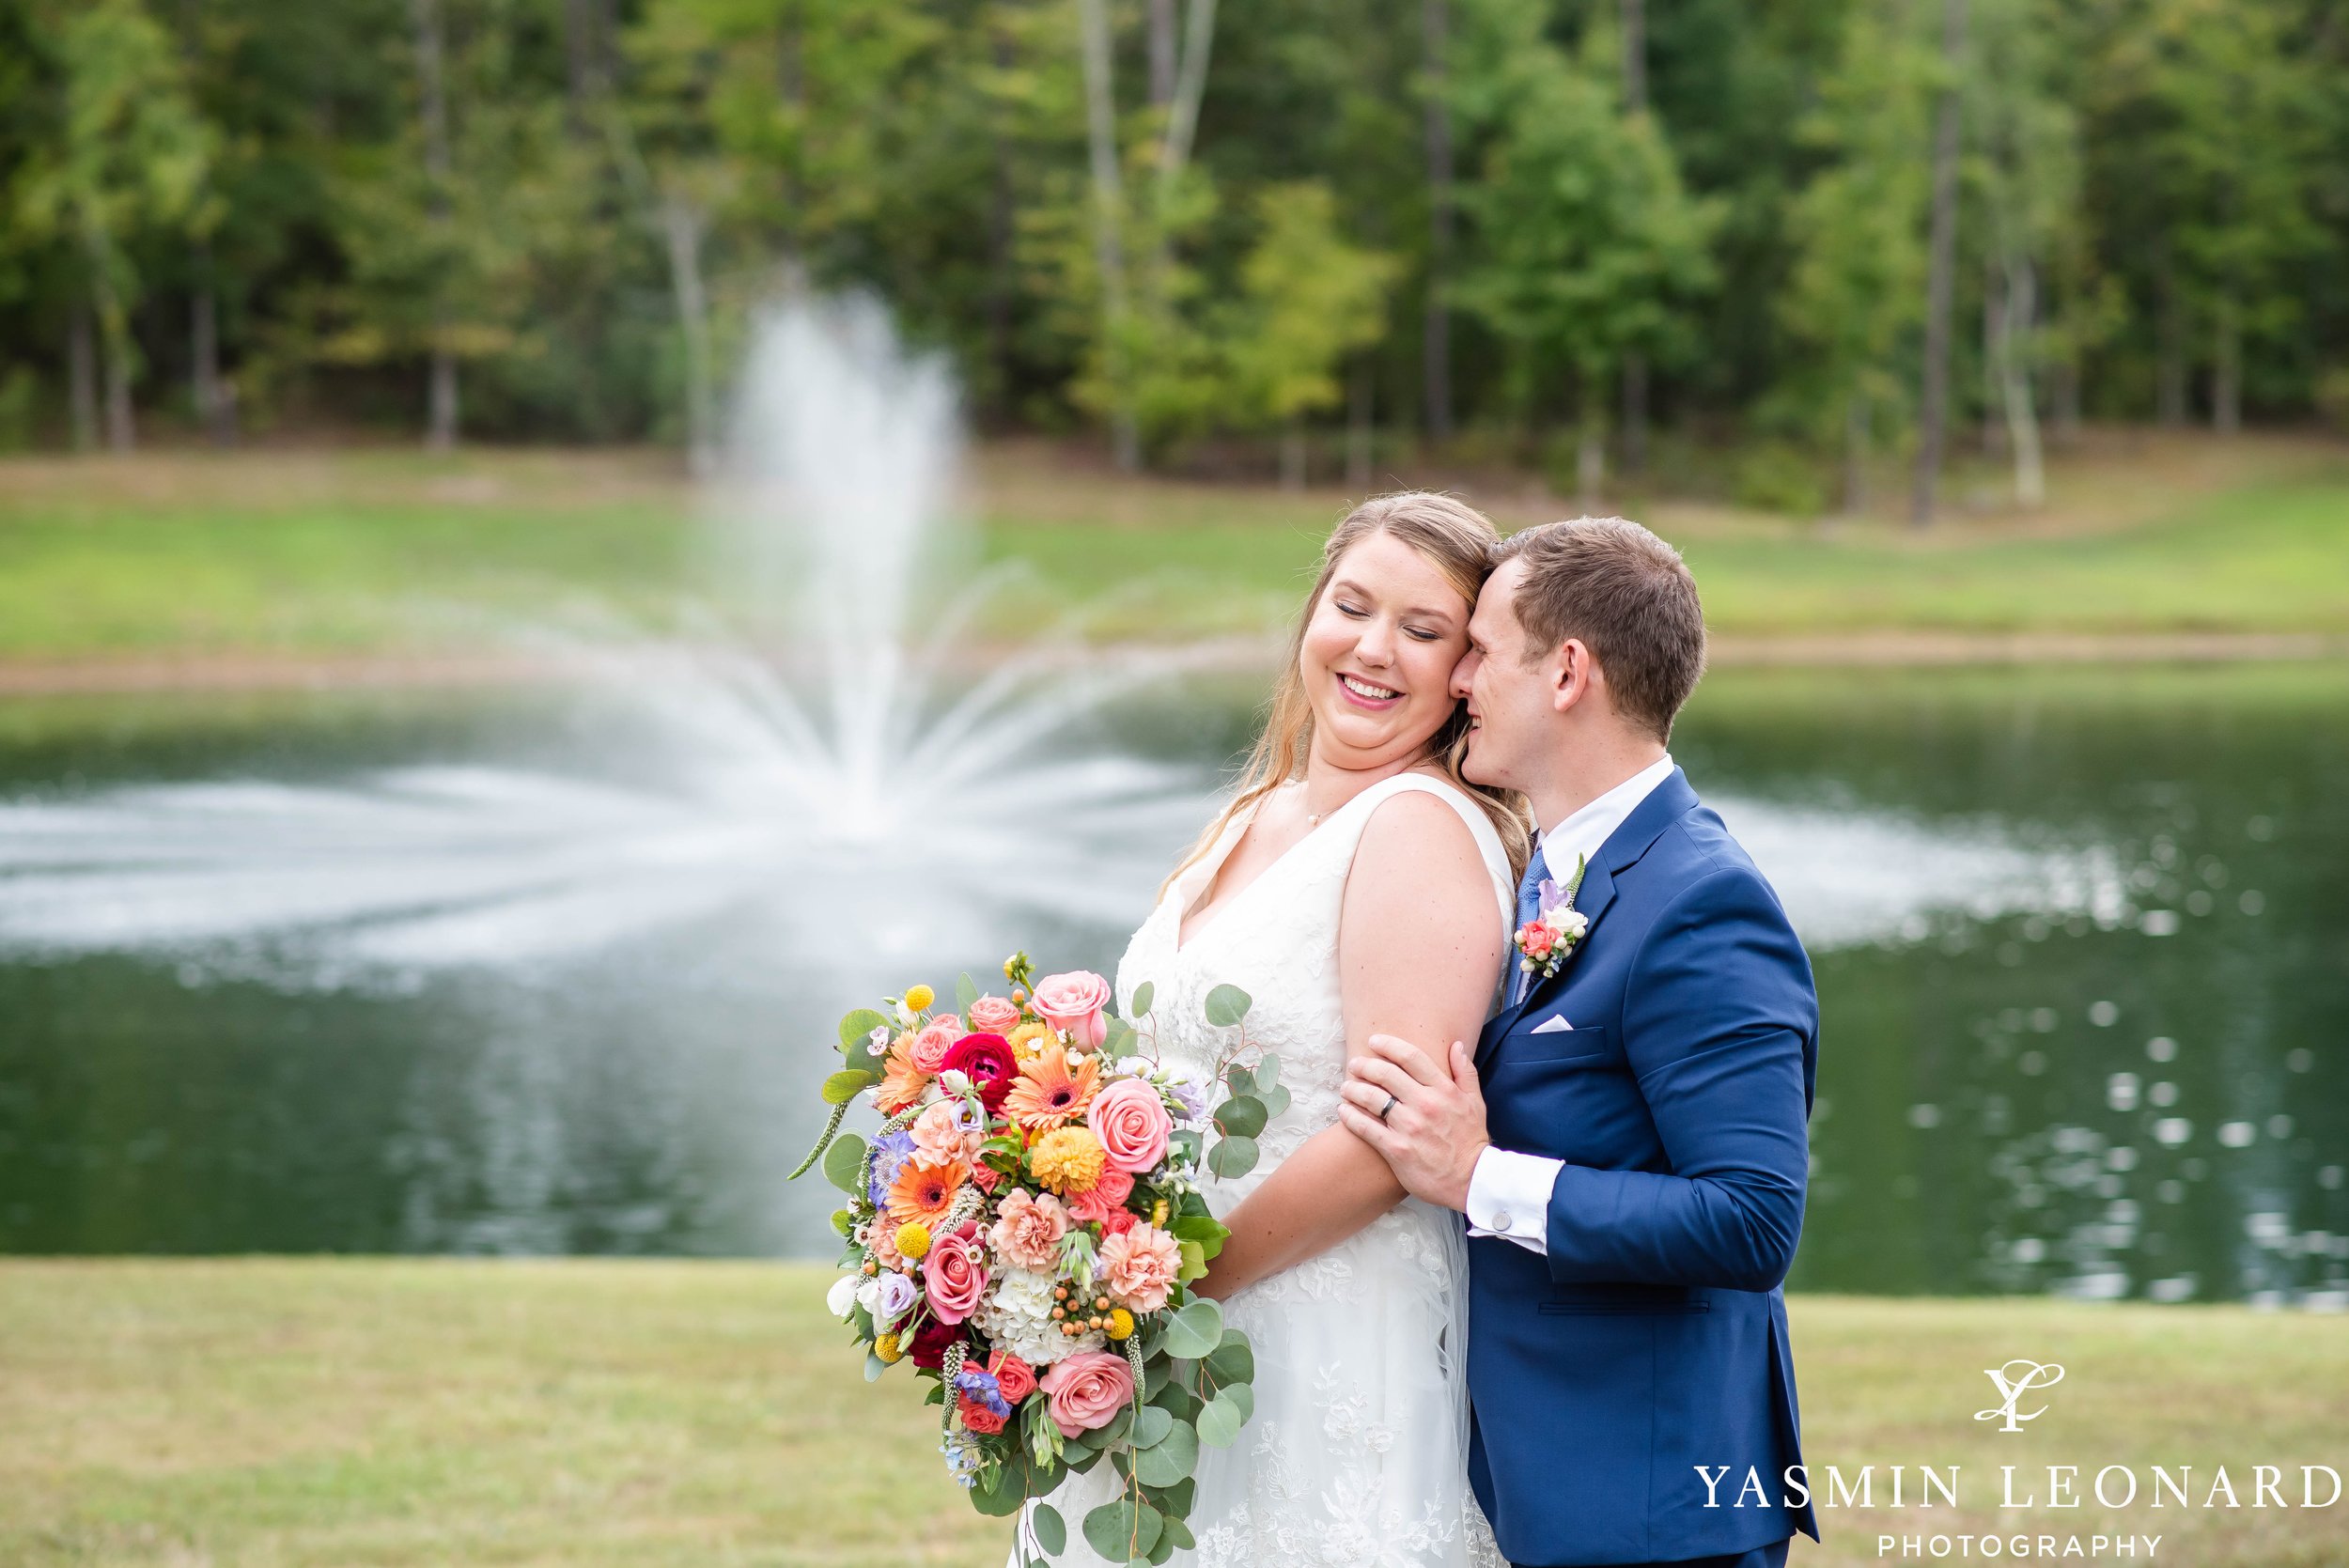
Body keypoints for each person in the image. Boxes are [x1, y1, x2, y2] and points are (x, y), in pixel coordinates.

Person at [1026, 492, 1526, 1567]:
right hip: (1173, 1343)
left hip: (1307, 1340)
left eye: (1424, 631)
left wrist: (1162, 1291)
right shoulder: (1261, 812)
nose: (1373, 648)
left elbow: (1397, 1139)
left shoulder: (1417, 830)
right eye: (1352, 605)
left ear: (1466, 674)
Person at [1338, 516, 1821, 1568]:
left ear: (1566, 671)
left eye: (1479, 648)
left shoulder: (1702, 899)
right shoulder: (1550, 866)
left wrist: (1478, 1175)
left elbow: (1750, 1219)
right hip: (1538, 1487)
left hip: (1650, 1509)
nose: (1455, 678)